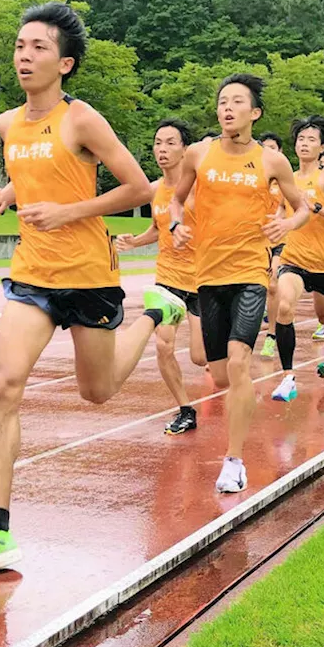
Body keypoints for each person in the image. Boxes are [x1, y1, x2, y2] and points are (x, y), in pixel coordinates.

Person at [0, 3, 185, 577]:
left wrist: (69, 212)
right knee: (2, 386)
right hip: (32, 275)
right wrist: (4, 196)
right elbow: (30, 175)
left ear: (65, 62)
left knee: (98, 391)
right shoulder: (9, 124)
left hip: (89, 273)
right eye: (19, 45)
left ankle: (153, 314)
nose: (24, 55)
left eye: (37, 47)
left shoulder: (82, 119)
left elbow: (136, 188)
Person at [167, 74, 310, 492]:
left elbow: (302, 208)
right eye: (222, 102)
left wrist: (286, 223)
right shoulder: (199, 153)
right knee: (221, 376)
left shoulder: (271, 161)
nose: (227, 108)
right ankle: (245, 398)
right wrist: (176, 222)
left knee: (238, 360)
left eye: (236, 102)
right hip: (207, 275)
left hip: (249, 272)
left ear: (255, 113)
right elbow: (177, 198)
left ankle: (234, 462)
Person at [115, 119, 207, 435]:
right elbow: (157, 228)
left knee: (200, 357)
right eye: (158, 143)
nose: (162, 149)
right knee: (164, 346)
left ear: (185, 149)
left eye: (170, 143)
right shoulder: (154, 190)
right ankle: (185, 409)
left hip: (203, 279)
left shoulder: (200, 189)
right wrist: (134, 241)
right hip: (168, 277)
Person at [271, 116, 324, 400]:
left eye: (311, 140)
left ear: (322, 148)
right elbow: (283, 213)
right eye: (301, 139)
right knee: (284, 307)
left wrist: (319, 208)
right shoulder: (288, 179)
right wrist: (274, 225)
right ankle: (287, 378)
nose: (305, 144)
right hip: (293, 257)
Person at [256, 131, 286, 360]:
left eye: (273, 147)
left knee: (274, 283)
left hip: (280, 240)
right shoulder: (252, 176)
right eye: (265, 147)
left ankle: (272, 336)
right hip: (256, 240)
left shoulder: (285, 179)